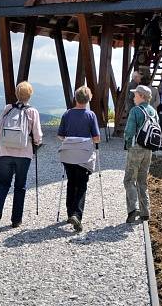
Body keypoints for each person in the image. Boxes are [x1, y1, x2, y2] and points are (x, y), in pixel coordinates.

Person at [0, 81, 42, 229]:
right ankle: (16, 220)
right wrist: (36, 143)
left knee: (3, 184)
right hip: (23, 154)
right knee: (20, 186)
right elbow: (37, 136)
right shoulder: (33, 112)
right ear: (30, 95)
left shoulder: (8, 109)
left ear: (16, 94)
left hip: (4, 153)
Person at [57, 85, 100, 232]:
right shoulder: (90, 115)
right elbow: (96, 138)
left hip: (68, 155)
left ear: (75, 98)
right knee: (81, 185)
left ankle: (70, 213)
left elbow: (60, 135)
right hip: (83, 156)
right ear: (88, 100)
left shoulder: (67, 114)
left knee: (71, 182)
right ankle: (77, 214)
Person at [123, 84, 159, 223]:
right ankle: (145, 212)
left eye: (136, 94)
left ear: (142, 96)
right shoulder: (153, 111)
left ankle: (133, 209)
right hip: (148, 150)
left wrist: (127, 144)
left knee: (129, 179)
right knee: (142, 181)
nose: (133, 97)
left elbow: (129, 131)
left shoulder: (135, 111)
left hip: (136, 148)